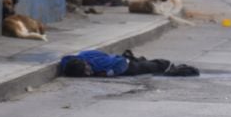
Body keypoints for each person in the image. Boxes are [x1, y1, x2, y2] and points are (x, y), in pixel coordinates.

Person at [60, 50, 199, 77]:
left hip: (124, 65)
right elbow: (65, 59)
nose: (89, 73)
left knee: (155, 67)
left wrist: (109, 73)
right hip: (114, 57)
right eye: (85, 74)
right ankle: (137, 59)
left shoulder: (100, 64)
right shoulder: (73, 60)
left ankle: (172, 67)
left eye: (87, 70)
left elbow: (120, 64)